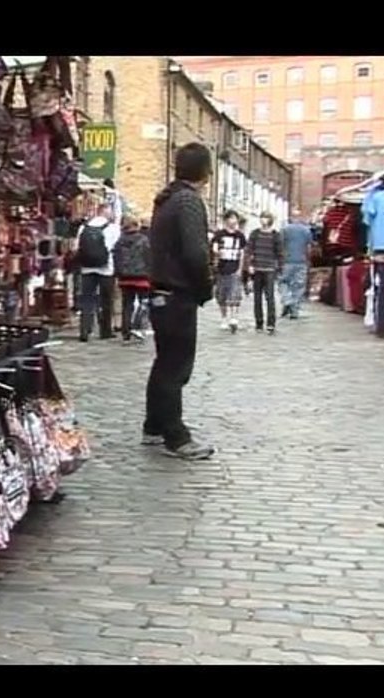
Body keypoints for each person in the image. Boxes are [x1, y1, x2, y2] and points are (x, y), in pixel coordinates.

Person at [143, 142, 215, 460]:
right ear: (206, 172)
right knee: (176, 367)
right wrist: (205, 287)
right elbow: (196, 253)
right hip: (177, 292)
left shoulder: (167, 198)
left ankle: (154, 425)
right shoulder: (188, 201)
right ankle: (176, 435)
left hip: (161, 291)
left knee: (164, 362)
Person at [74, 203, 119, 342]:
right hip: (106, 268)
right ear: (106, 212)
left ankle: (85, 330)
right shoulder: (112, 228)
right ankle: (105, 330)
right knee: (106, 300)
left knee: (87, 299)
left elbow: (77, 247)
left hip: (86, 267)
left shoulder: (83, 227)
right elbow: (114, 247)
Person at [113, 214, 151, 344]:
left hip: (125, 278)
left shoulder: (119, 241)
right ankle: (138, 327)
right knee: (143, 303)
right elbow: (149, 258)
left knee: (127, 305)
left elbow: (116, 259)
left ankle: (126, 332)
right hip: (142, 277)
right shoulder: (144, 240)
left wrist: (118, 274)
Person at [247, 210, 284, 334]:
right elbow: (249, 250)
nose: (263, 220)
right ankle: (259, 323)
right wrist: (250, 265)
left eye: (266, 218)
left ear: (270, 220)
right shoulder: (255, 234)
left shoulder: (275, 235)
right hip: (257, 268)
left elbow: (280, 253)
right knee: (257, 298)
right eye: (262, 217)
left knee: (270, 297)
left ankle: (271, 323)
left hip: (269, 269)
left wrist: (280, 268)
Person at [211, 210, 247, 333]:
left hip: (234, 267)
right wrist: (217, 252)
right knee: (222, 295)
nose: (233, 221)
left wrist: (241, 268)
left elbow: (242, 253)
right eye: (231, 218)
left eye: (235, 218)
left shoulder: (240, 236)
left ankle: (234, 318)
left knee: (235, 294)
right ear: (226, 220)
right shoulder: (219, 234)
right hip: (222, 268)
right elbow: (214, 247)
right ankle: (224, 318)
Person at [280, 211, 313, 319]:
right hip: (301, 261)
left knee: (283, 282)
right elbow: (309, 247)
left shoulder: (285, 230)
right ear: (300, 217)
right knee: (298, 286)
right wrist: (308, 260)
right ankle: (294, 309)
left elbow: (280, 245)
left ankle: (287, 300)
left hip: (287, 261)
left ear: (291, 217)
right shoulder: (306, 230)